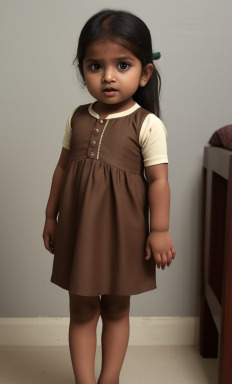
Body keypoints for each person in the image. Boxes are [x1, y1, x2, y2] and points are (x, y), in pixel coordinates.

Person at [43, 8, 176, 384]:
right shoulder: (78, 117)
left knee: (117, 308)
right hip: (80, 229)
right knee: (82, 309)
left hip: (124, 234)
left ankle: (109, 379)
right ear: (82, 69)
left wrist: (160, 229)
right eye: (95, 66)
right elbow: (62, 170)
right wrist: (50, 216)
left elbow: (159, 181)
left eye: (122, 64)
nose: (108, 77)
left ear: (144, 72)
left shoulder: (147, 123)